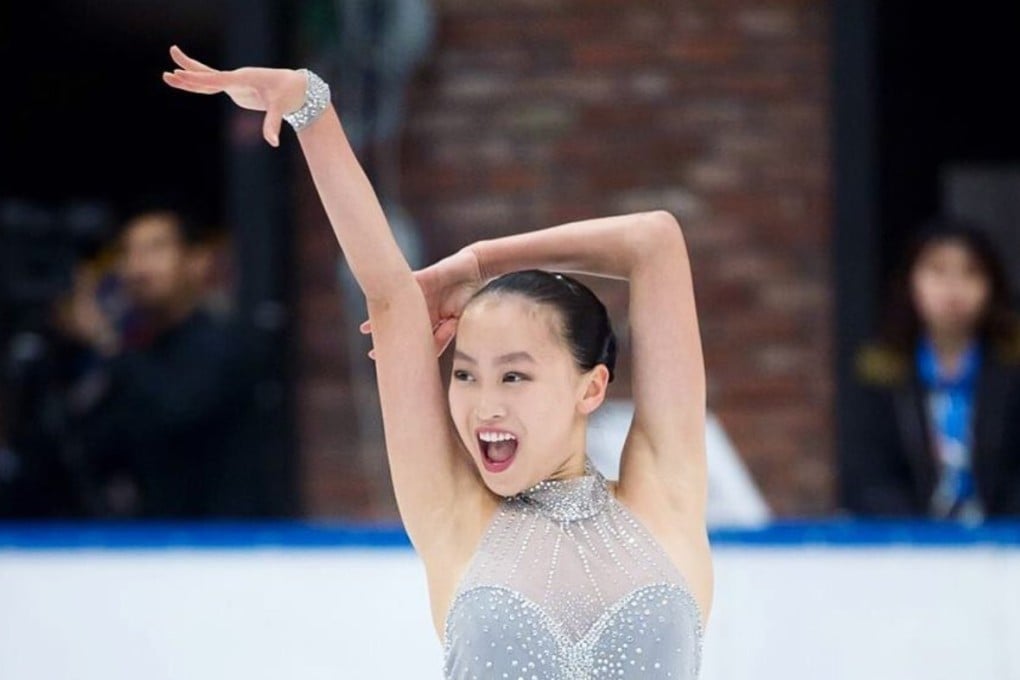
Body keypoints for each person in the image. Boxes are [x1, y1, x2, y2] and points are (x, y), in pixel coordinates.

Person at [164, 44, 711, 678]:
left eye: (514, 374)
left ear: (591, 388)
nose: (483, 403)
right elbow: (392, 296)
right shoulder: (454, 515)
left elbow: (654, 241)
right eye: (464, 373)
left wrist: (480, 261)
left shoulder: (664, 496)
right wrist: (311, 109)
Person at [69, 205, 269, 517]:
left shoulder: (224, 343)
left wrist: (106, 342)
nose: (138, 268)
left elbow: (178, 409)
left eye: (155, 249)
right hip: (150, 541)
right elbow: (94, 447)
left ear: (198, 261)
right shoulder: (136, 352)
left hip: (226, 544)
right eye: (129, 252)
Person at [842, 217, 1020, 520]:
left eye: (971, 272)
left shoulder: (1011, 370)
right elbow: (869, 478)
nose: (953, 289)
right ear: (911, 281)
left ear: (992, 285)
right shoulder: (882, 372)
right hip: (913, 549)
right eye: (937, 271)